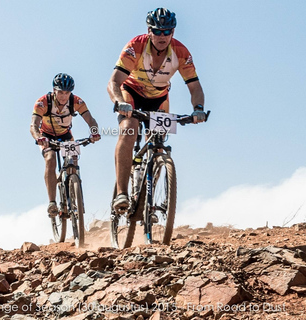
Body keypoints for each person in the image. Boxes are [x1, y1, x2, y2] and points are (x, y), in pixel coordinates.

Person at [107, 7, 207, 212]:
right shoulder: (136, 46)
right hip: (131, 93)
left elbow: (195, 87)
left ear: (173, 32)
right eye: (158, 31)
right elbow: (114, 82)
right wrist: (119, 102)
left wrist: (198, 109)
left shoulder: (181, 52)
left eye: (167, 31)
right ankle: (121, 193)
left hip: (159, 98)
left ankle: (148, 200)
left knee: (159, 144)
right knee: (129, 129)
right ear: (149, 31)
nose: (162, 36)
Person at [31, 73, 100, 218]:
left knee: (73, 162)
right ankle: (52, 202)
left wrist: (94, 132)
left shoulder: (76, 101)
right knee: (50, 159)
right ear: (54, 90)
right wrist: (39, 138)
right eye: (60, 92)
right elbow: (33, 125)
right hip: (46, 136)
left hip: (65, 135)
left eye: (67, 92)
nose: (63, 96)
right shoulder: (43, 102)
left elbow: (90, 120)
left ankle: (72, 198)